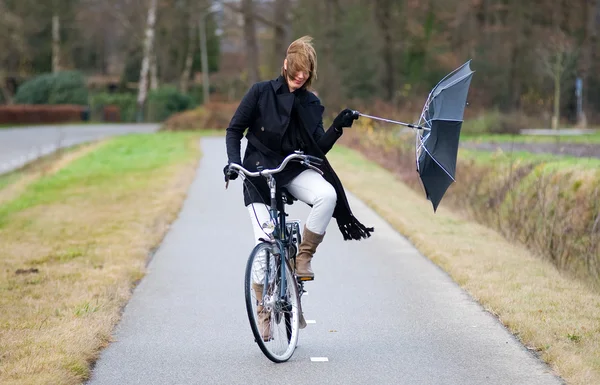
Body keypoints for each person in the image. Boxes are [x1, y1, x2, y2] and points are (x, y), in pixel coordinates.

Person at [224, 35, 373, 280]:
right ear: (285, 64)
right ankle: (263, 310)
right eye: (296, 69)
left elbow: (317, 150)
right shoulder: (260, 92)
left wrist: (337, 127)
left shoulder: (311, 103)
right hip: (258, 173)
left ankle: (303, 257)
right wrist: (234, 162)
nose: (301, 76)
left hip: (292, 169)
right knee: (265, 242)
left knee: (327, 195)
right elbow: (234, 130)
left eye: (306, 71)